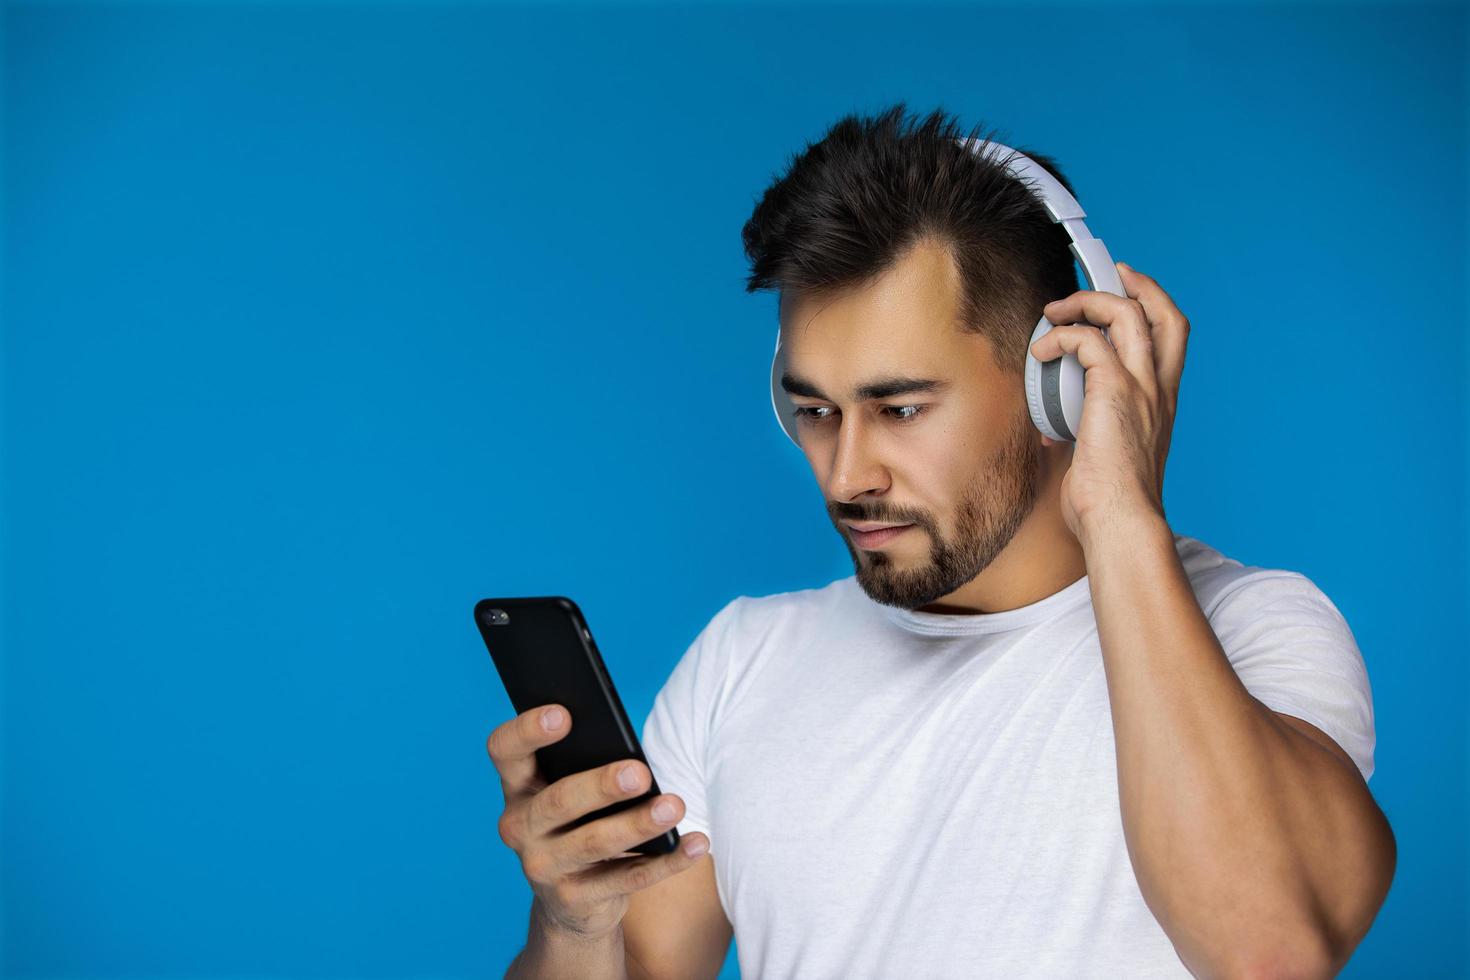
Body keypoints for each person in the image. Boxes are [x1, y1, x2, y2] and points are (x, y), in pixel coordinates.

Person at [488, 103, 1396, 979]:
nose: (847, 477)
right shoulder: (742, 659)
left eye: (901, 408)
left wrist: (1121, 514)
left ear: (1063, 384)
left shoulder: (1255, 628)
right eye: (813, 411)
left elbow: (1266, 954)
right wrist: (573, 925)